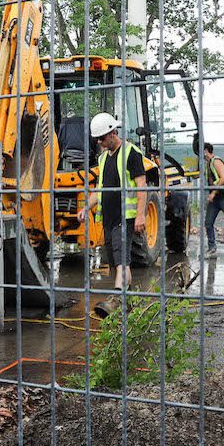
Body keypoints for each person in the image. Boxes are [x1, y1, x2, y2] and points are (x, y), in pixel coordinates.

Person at [77, 112, 147, 313]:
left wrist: (140, 215)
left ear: (113, 132)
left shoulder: (131, 154)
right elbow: (99, 190)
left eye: (102, 138)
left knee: (121, 259)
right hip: (109, 218)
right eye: (97, 139)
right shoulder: (102, 159)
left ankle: (117, 299)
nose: (99, 142)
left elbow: (142, 186)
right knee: (117, 261)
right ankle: (128, 302)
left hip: (125, 218)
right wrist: (85, 208)